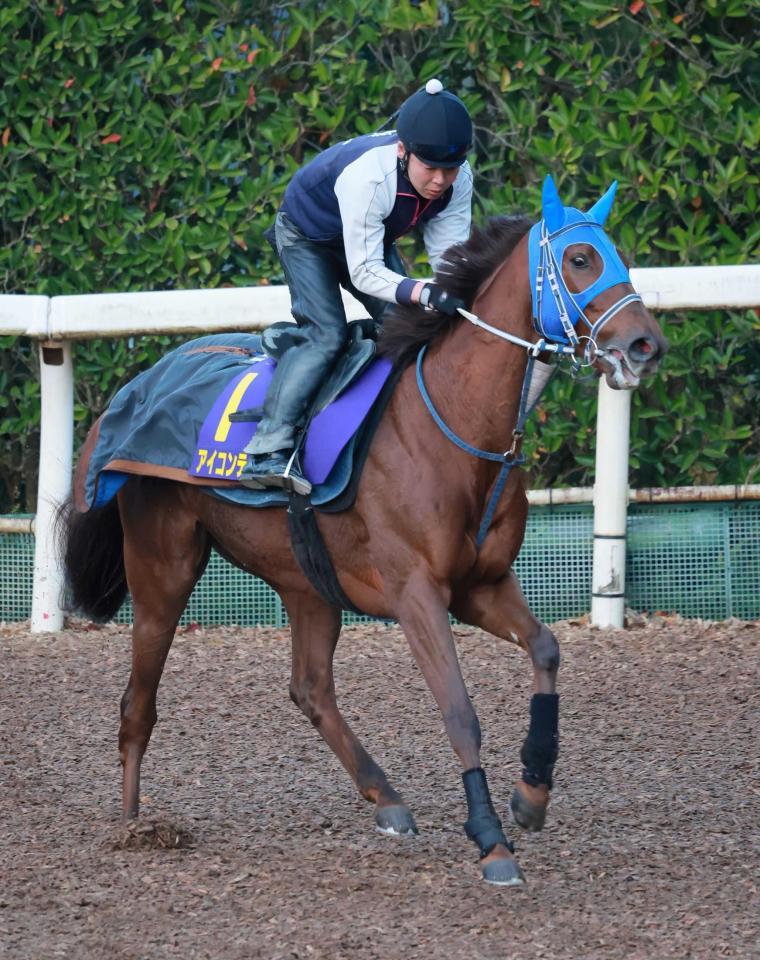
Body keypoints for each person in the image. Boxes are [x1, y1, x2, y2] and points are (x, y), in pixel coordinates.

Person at [242, 78, 473, 494]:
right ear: (403, 151)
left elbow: (448, 258)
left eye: (450, 169)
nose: (440, 180)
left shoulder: (459, 179)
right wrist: (422, 292)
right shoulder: (369, 178)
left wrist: (452, 292)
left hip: (367, 233)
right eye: (430, 167)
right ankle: (267, 448)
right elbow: (365, 272)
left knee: (411, 326)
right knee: (327, 334)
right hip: (305, 236)